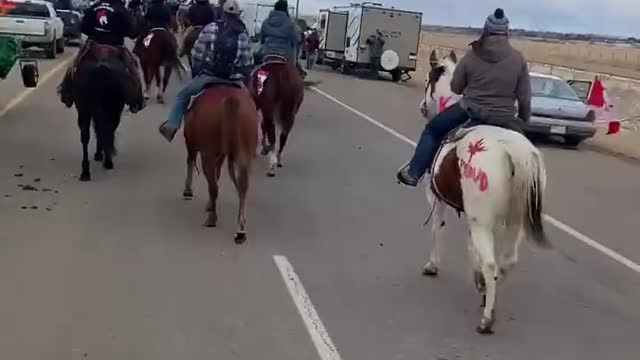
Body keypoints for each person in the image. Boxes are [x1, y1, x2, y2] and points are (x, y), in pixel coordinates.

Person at [396, 8, 531, 187]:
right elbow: (525, 97)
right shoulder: (518, 59)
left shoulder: (472, 55)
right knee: (528, 154)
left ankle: (414, 173)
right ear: (507, 32)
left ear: (486, 30)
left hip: (470, 111)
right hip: (505, 117)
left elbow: (456, 87)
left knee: (432, 129)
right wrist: (523, 120)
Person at [158, 0, 251, 142]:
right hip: (234, 80)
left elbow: (196, 53)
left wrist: (199, 70)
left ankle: (172, 126)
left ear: (223, 13)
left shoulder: (211, 28)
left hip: (210, 76)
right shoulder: (244, 34)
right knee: (251, 105)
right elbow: (247, 61)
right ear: (238, 15)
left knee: (182, 96)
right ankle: (250, 137)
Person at [57, 0, 145, 113]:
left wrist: (96, 32)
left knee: (75, 64)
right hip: (116, 47)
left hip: (94, 45)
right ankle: (137, 99)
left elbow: (83, 28)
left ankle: (67, 92)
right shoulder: (121, 9)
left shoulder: (94, 7)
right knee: (134, 66)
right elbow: (132, 33)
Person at [259, 0, 306, 77]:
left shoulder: (265, 22)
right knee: (293, 78)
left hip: (267, 54)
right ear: (285, 9)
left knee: (257, 74)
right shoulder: (290, 23)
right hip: (285, 55)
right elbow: (295, 40)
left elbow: (262, 39)